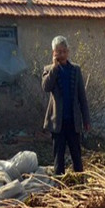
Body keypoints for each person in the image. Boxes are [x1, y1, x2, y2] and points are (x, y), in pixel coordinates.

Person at [42, 35, 91, 175]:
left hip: (73, 121)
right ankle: (60, 188)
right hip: (58, 123)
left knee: (77, 156)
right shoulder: (48, 70)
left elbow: (82, 97)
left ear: (68, 52)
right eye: (59, 52)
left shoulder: (75, 70)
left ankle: (80, 185)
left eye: (64, 51)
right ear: (54, 53)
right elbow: (46, 87)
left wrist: (86, 119)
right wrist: (54, 68)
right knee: (59, 158)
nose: (62, 55)